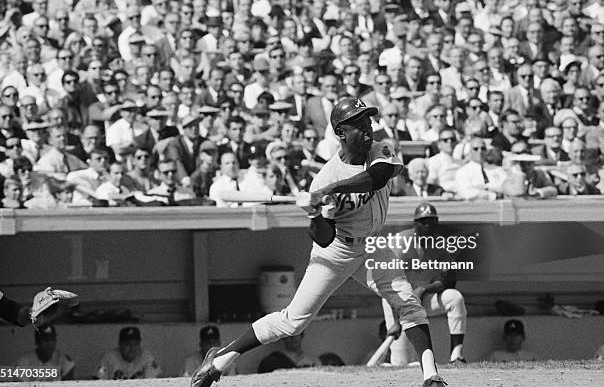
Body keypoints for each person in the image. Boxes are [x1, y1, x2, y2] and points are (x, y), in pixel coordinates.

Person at [190, 98, 448, 387]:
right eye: (359, 124)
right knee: (293, 321)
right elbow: (324, 238)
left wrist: (332, 190)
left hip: (374, 245)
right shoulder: (326, 177)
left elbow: (377, 178)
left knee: (407, 301)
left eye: (368, 122)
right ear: (340, 133)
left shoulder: (380, 150)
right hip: (339, 250)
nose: (368, 129)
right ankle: (220, 359)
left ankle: (431, 376)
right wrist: (315, 211)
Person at [382, 204, 467, 366]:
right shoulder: (401, 242)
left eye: (431, 221)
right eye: (423, 221)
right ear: (415, 223)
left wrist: (423, 289)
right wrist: (396, 321)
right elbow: (387, 282)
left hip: (423, 299)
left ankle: (456, 356)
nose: (428, 225)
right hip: (395, 299)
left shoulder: (441, 245)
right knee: (400, 362)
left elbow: (449, 281)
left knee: (454, 298)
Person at [95, 326, 162, 380]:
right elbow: (98, 381)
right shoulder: (108, 358)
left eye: (136, 344)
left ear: (140, 344)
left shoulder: (146, 356)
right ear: (120, 344)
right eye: (127, 344)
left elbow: (152, 383)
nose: (132, 348)